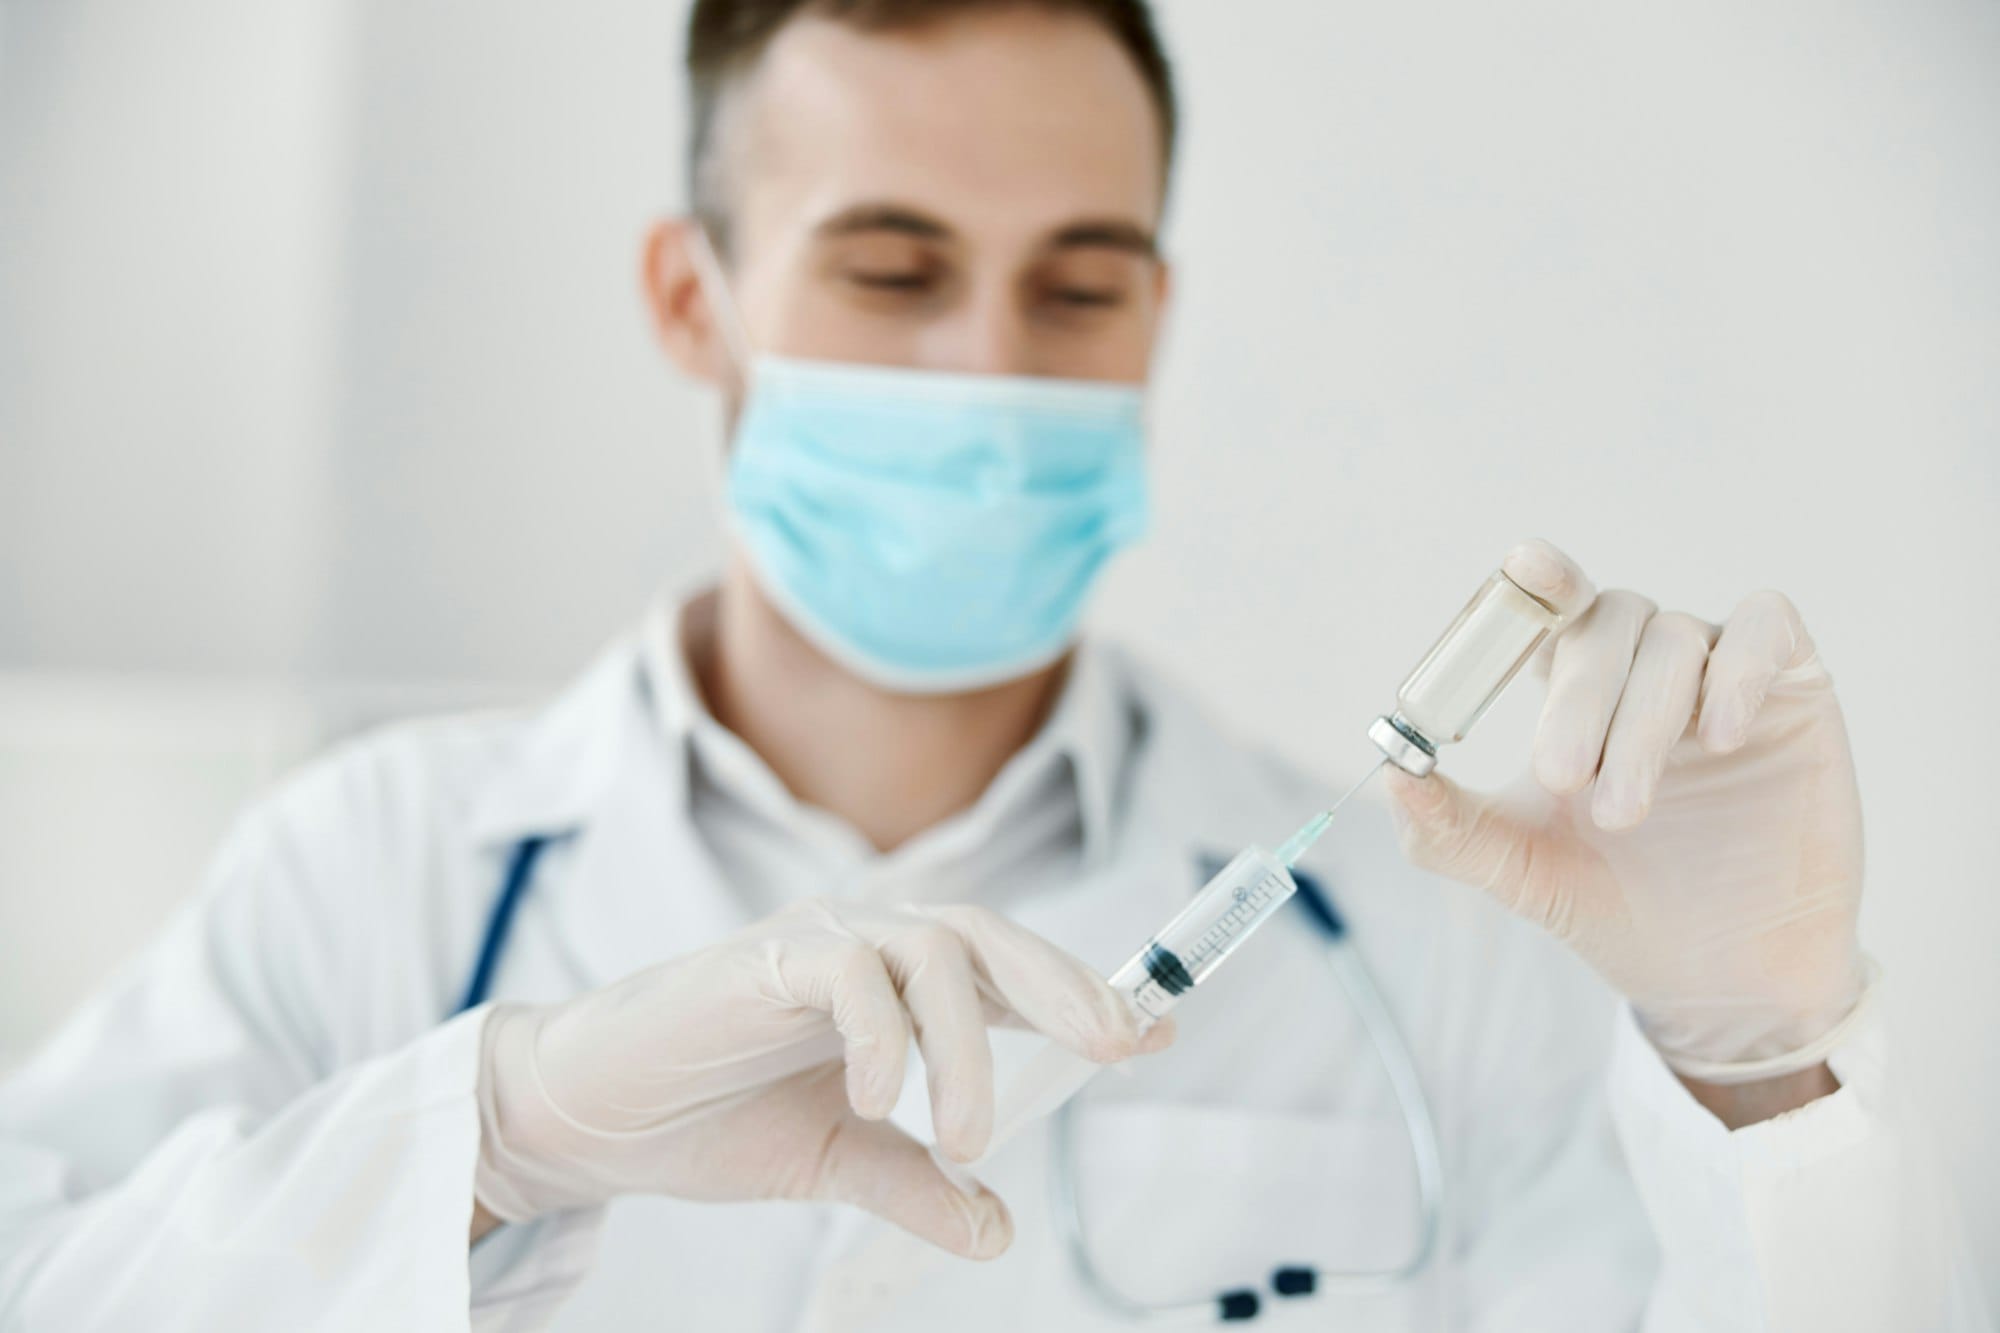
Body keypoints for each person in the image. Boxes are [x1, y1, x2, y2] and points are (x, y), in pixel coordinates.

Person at [0, 1, 1986, 1329]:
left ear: (1155, 315)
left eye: (1075, 284)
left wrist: (1759, 1067)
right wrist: (489, 1142)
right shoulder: (377, 868)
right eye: (889, 267)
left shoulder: (1411, 937)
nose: (986, 368)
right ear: (693, 300)